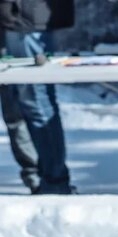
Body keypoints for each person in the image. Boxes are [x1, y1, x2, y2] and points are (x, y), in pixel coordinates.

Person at [0, 0, 73, 193]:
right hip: (13, 17)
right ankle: (37, 178)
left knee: (35, 99)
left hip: (26, 17)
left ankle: (55, 183)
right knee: (13, 106)